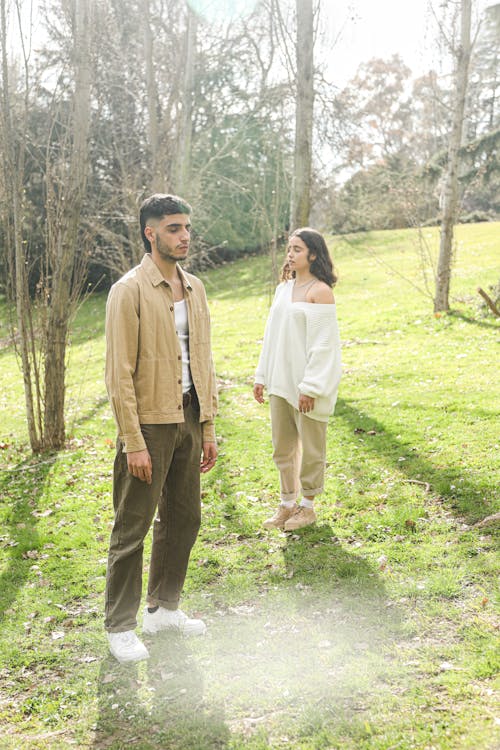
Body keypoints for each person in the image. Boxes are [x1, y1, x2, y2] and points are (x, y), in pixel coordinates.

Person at [104, 193, 218, 663]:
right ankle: (120, 625)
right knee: (132, 528)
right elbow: (118, 373)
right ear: (151, 233)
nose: (184, 235)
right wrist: (134, 441)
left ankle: (163, 608)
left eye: (187, 227)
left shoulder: (195, 287)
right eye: (173, 228)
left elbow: (203, 360)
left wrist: (208, 425)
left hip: (189, 415)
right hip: (149, 424)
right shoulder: (127, 290)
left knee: (183, 518)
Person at [253, 228, 341, 532]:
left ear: (313, 255)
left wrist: (311, 387)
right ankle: (287, 504)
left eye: (297, 249)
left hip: (307, 386)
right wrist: (261, 376)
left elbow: (325, 345)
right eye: (289, 248)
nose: (290, 254)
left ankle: (307, 507)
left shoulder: (320, 292)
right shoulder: (283, 289)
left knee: (312, 448)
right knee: (283, 447)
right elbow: (271, 337)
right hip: (279, 382)